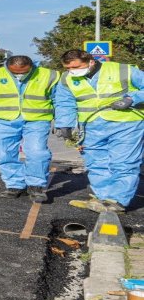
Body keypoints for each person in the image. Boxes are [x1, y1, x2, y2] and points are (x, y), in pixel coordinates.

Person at [55, 49, 144, 214]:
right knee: (96, 163)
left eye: (76, 67)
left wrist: (132, 99)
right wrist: (64, 125)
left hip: (126, 124)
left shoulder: (122, 70)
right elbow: (64, 102)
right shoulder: (67, 79)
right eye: (68, 68)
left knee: (124, 163)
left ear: (91, 61)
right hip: (91, 126)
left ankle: (118, 200)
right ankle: (104, 198)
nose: (72, 71)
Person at [0, 55, 59, 203]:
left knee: (37, 152)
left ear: (32, 67)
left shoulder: (49, 75)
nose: (19, 76)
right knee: (5, 153)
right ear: (7, 67)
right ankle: (15, 185)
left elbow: (59, 99)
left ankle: (36, 186)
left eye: (24, 72)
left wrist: (61, 121)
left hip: (37, 120)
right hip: (4, 120)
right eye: (15, 73)